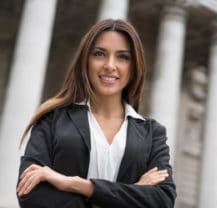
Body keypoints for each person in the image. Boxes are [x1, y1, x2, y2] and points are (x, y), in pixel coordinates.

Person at [16, 19, 176, 208]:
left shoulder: (152, 134)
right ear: (86, 60)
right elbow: (30, 194)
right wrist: (132, 191)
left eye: (122, 57)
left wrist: (78, 185)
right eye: (99, 54)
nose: (110, 65)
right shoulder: (52, 119)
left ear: (134, 67)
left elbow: (162, 200)